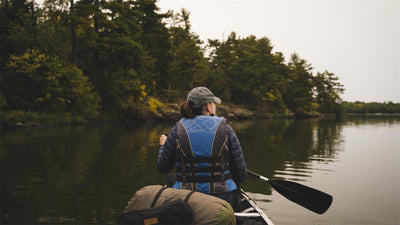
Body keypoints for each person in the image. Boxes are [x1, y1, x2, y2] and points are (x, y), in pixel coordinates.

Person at [157, 87, 247, 205]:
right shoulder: (226, 129)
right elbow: (241, 174)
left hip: (186, 199)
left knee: (170, 179)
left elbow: (163, 167)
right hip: (222, 199)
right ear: (208, 106)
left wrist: (163, 146)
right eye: (214, 103)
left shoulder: (177, 130)